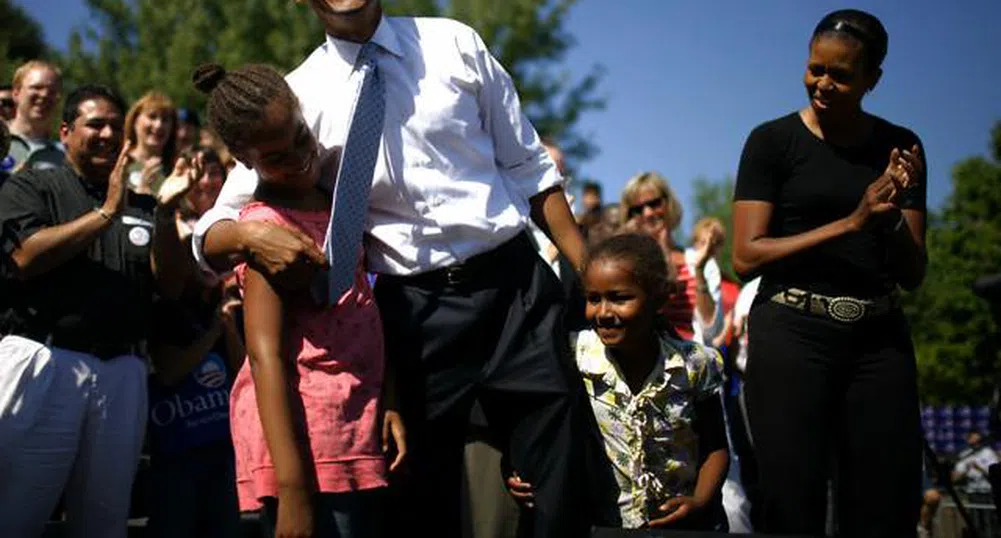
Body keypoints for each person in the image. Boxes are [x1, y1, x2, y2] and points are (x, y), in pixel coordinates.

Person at [191, 2, 590, 536]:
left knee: (556, 487)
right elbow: (217, 224)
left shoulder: (454, 44)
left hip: (516, 290)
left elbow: (528, 167)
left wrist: (588, 270)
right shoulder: (296, 98)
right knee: (422, 503)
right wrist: (246, 233)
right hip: (416, 315)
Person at [732, 9, 927, 536]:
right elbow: (746, 256)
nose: (822, 83)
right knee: (792, 502)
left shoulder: (900, 149)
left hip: (877, 341)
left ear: (873, 80)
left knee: (886, 505)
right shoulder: (773, 143)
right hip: (793, 333)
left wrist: (886, 222)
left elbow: (913, 272)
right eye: (815, 68)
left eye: (840, 75)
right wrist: (853, 221)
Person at [193, 62, 407, 538]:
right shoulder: (265, 230)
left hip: (355, 423)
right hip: (305, 448)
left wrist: (387, 397)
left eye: (300, 137)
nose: (299, 158)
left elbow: (362, 305)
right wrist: (292, 490)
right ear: (243, 159)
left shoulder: (336, 203)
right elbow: (263, 355)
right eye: (275, 156)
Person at [0, 84, 193, 537]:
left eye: (114, 125)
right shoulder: (32, 184)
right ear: (66, 131)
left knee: (104, 522)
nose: (108, 133)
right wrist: (105, 213)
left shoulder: (143, 205)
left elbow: (170, 284)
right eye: (95, 124)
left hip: (123, 372)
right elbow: (24, 258)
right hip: (47, 362)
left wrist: (165, 215)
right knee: (18, 514)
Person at [507, 233, 729, 531]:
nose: (603, 313)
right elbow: (534, 419)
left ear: (660, 298)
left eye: (620, 298)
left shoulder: (693, 364)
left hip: (681, 525)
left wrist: (700, 501)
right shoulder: (575, 357)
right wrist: (517, 468)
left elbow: (715, 445)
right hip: (605, 525)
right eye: (593, 299)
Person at [145, 275, 245, 538]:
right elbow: (170, 371)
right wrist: (213, 332)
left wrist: (229, 327)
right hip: (178, 448)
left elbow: (241, 369)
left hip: (222, 445)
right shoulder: (167, 311)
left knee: (223, 527)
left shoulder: (231, 310)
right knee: (174, 524)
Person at [620, 171, 724, 344]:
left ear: (669, 204)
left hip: (694, 359)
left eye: (654, 204)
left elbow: (711, 330)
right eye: (638, 209)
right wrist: (660, 248)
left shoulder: (701, 261)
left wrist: (698, 271)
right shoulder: (627, 263)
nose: (648, 213)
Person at [6, 60, 65, 171]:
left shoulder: (65, 157)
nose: (44, 95)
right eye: (37, 87)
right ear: (16, 93)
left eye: (52, 91)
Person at [124, 91, 179, 196]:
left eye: (165, 119)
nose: (159, 125)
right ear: (135, 121)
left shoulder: (177, 167)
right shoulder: (120, 162)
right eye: (152, 117)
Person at [952, 431, 1000, 502]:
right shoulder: (964, 454)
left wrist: (979, 468)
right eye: (971, 438)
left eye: (977, 440)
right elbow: (955, 478)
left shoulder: (988, 453)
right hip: (971, 491)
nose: (975, 442)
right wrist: (966, 470)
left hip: (987, 491)